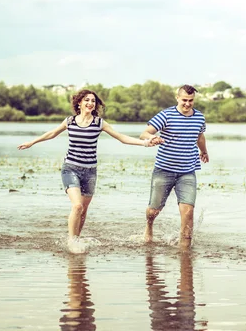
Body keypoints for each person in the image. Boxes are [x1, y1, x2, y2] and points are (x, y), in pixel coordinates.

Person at [18, 89, 161, 253]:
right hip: (70, 168)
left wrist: (145, 143)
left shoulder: (99, 123)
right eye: (86, 100)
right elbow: (52, 133)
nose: (90, 103)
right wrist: (32, 142)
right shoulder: (70, 121)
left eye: (93, 101)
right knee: (77, 206)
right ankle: (72, 243)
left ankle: (76, 239)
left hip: (90, 172)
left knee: (83, 211)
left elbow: (121, 137)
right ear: (79, 103)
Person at [140, 84, 209, 250]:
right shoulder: (166, 115)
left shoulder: (199, 117)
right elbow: (144, 133)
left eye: (191, 100)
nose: (187, 103)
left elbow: (200, 137)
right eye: (184, 100)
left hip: (187, 171)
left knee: (188, 211)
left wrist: (204, 151)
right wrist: (153, 138)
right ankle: (149, 226)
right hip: (163, 170)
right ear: (177, 98)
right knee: (153, 211)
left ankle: (184, 249)